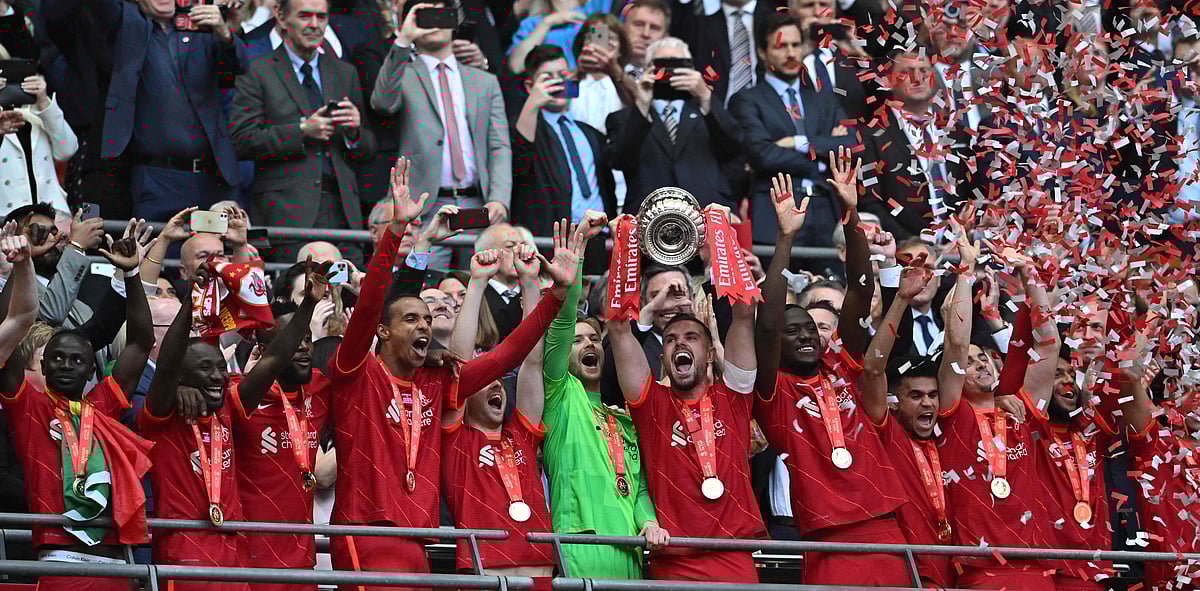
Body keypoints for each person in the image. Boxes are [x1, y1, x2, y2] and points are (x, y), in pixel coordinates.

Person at [324, 157, 581, 588]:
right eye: (411, 319)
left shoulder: (438, 382)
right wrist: (400, 234)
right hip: (367, 531)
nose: (425, 325)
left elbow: (508, 355)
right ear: (382, 332)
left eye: (427, 319)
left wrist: (555, 296)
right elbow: (370, 302)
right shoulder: (356, 371)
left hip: (419, 538)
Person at [754, 151, 910, 586]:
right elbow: (766, 323)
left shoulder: (841, 365)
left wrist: (851, 211)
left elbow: (861, 290)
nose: (807, 335)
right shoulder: (773, 391)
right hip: (825, 538)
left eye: (810, 328)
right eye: (794, 331)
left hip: (885, 523)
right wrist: (785, 237)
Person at [138, 259, 320, 591]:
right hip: (185, 551)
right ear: (183, 377)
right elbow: (165, 368)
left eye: (221, 368)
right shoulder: (163, 417)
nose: (219, 376)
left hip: (234, 552)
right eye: (206, 369)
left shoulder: (229, 409)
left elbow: (274, 360)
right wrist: (191, 302)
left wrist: (308, 303)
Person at [609, 207, 765, 581]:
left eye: (692, 337)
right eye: (672, 339)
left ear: (710, 352)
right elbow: (617, 327)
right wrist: (624, 246)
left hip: (736, 557)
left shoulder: (735, 396)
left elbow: (744, 311)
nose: (680, 342)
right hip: (675, 561)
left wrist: (721, 234)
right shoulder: (651, 405)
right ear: (661, 355)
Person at [0, 227, 155, 591]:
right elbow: (5, 331)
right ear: (43, 363)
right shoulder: (28, 406)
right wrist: (18, 263)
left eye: (76, 359)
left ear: (92, 369)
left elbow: (141, 342)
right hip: (58, 562)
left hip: (116, 564)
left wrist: (132, 274)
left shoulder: (103, 404)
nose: (66, 365)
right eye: (56, 358)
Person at [540, 211, 664, 578]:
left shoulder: (624, 418)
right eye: (577, 342)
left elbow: (639, 486)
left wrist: (649, 521)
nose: (588, 344)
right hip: (581, 544)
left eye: (594, 339)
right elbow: (561, 324)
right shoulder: (560, 397)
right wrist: (576, 263)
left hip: (630, 549)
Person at [439, 239, 573, 577]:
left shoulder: (522, 435)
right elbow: (459, 364)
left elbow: (532, 361)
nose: (498, 383)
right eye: (487, 381)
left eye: (499, 381)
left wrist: (530, 282)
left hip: (543, 572)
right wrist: (478, 282)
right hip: (487, 573)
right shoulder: (455, 440)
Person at [860, 234, 971, 589]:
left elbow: (957, 348)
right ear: (894, 401)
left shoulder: (949, 433)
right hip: (907, 577)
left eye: (932, 396)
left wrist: (965, 272)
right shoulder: (886, 433)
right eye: (916, 396)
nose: (927, 403)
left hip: (956, 575)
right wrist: (901, 298)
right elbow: (874, 370)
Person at [230, 0, 375, 263]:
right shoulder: (257, 70)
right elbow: (242, 140)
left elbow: (368, 147)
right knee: (295, 297)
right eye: (305, 16)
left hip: (344, 212)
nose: (314, 24)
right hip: (287, 212)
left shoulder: (344, 72)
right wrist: (301, 131)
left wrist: (354, 132)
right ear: (281, 18)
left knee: (348, 296)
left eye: (321, 16)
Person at [371, 0, 511, 270]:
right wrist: (404, 37)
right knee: (425, 284)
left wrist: (499, 199)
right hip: (424, 205)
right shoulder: (403, 74)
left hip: (478, 203)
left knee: (479, 282)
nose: (435, 21)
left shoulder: (484, 80)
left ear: (455, 21)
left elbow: (499, 146)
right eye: (425, 14)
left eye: (442, 14)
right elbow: (383, 102)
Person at [84, 0, 245, 221]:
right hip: (157, 179)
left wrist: (225, 31)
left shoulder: (200, 25)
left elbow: (239, 66)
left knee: (219, 254)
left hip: (213, 176)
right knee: (159, 253)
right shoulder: (126, 23)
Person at [230, 269, 329, 591]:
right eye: (292, 341)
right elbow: (272, 362)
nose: (302, 348)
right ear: (266, 349)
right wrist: (308, 306)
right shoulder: (243, 396)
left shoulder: (321, 388)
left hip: (303, 560)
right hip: (250, 559)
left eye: (307, 340)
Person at [729, 13, 854, 246]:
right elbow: (762, 155)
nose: (790, 53)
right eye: (780, 46)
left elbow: (851, 144)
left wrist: (798, 143)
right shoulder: (746, 100)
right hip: (774, 213)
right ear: (762, 52)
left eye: (796, 45)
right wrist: (820, 160)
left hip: (826, 213)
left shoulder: (824, 100)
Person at [606, 37, 743, 211]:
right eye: (662, 65)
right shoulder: (625, 118)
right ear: (648, 69)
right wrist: (642, 104)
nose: (670, 72)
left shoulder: (708, 113)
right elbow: (619, 159)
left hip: (705, 216)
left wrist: (705, 96)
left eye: (678, 66)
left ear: (691, 70)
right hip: (648, 218)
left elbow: (735, 146)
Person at [858, 47, 972, 240]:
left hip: (958, 249)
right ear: (888, 81)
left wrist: (960, 237)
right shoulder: (873, 136)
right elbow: (871, 204)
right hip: (906, 253)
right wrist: (913, 245)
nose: (917, 78)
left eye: (924, 71)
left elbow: (969, 191)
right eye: (905, 72)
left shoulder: (957, 134)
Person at [511, 44, 617, 236]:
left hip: (596, 236)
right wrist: (533, 103)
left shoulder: (590, 133)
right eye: (547, 78)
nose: (557, 82)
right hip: (551, 240)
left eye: (562, 74)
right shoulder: (526, 127)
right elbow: (519, 158)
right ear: (530, 86)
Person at [0, 72, 77, 219]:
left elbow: (67, 149)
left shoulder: (38, 115)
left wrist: (43, 102)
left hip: (51, 216)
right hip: (7, 219)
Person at [507, 0, 608, 72]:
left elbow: (603, 55)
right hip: (551, 91)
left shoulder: (595, 10)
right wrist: (548, 22)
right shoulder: (533, 23)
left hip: (588, 88)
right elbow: (516, 65)